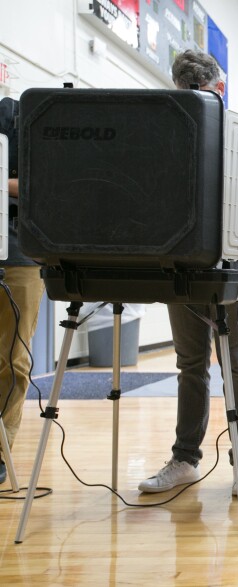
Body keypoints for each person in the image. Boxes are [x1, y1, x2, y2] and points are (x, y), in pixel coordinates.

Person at [139, 50, 238, 496]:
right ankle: (186, 458)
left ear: (220, 91)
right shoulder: (165, 135)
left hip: (236, 265)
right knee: (191, 363)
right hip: (182, 263)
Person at [0, 97, 46, 485]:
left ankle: (1, 451)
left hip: (17, 255)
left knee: (14, 359)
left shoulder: (22, 116)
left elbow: (46, 180)